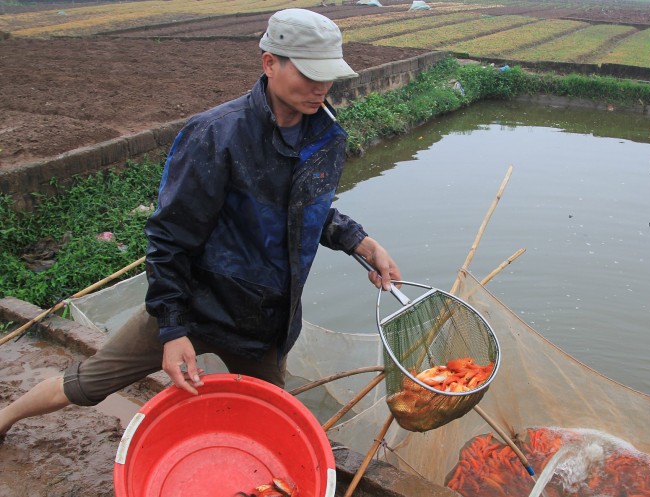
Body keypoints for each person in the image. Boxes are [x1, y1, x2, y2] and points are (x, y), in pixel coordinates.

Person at [0, 8, 400, 436]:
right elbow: (169, 237)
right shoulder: (215, 135)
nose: (321, 87)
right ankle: (5, 417)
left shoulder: (325, 137)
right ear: (269, 62)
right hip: (192, 303)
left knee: (271, 421)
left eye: (329, 75)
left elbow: (304, 211)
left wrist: (361, 243)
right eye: (309, 73)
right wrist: (172, 330)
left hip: (263, 318)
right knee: (90, 383)